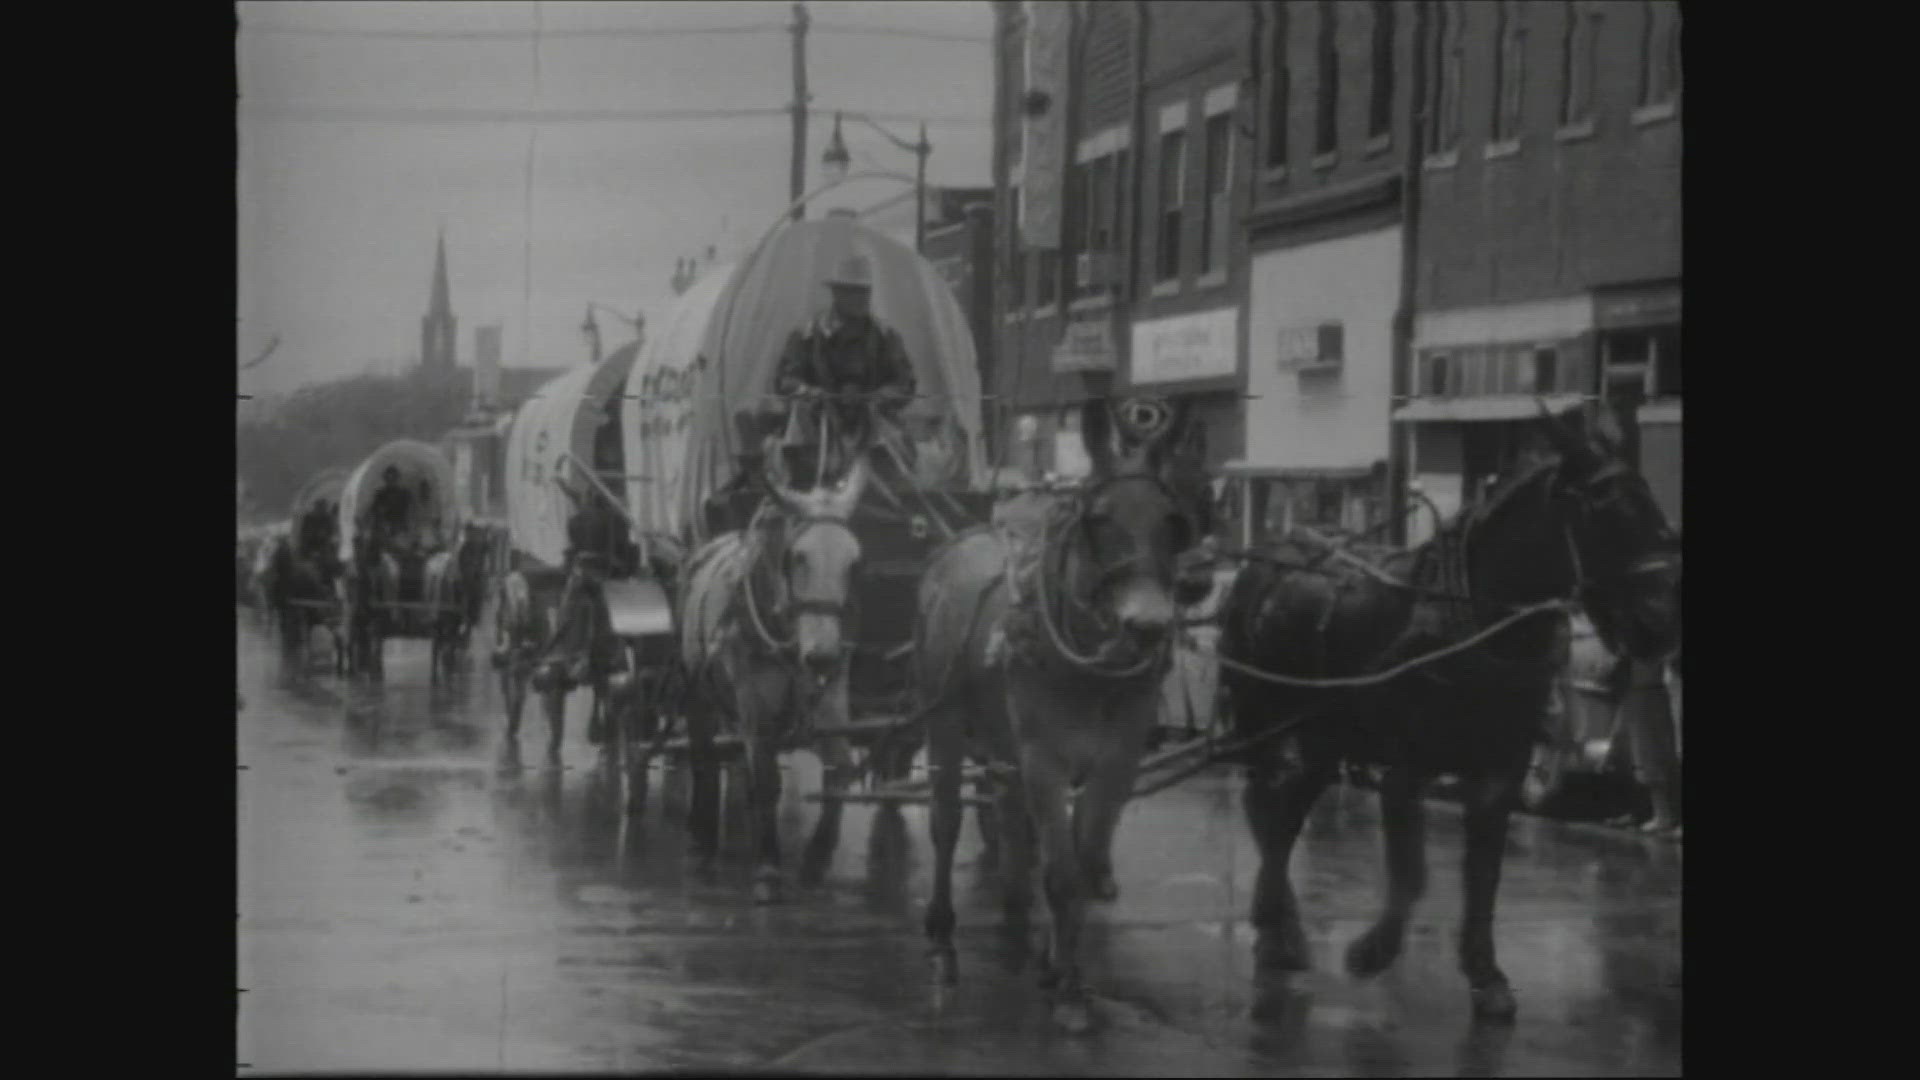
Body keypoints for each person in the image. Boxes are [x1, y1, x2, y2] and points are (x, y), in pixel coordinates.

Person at [757, 254, 918, 487]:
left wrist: (879, 397)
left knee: (892, 442)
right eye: (854, 292)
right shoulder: (807, 335)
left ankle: (884, 491)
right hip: (818, 421)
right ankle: (802, 485)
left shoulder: (885, 337)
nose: (862, 298)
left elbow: (906, 383)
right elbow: (785, 380)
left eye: (865, 291)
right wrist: (810, 393)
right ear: (837, 294)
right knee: (798, 423)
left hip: (870, 422)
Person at [532, 481, 637, 739]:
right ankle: (622, 649)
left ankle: (564, 647)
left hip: (583, 575)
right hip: (608, 577)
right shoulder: (618, 520)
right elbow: (626, 554)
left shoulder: (577, 521)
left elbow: (574, 548)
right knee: (620, 614)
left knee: (568, 614)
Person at [369, 467, 412, 553]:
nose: (391, 480)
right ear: (385, 479)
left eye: (393, 477)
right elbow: (375, 512)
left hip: (401, 529)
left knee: (402, 552)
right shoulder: (380, 494)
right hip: (385, 530)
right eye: (388, 478)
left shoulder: (405, 493)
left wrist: (407, 528)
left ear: (397, 478)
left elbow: (410, 512)